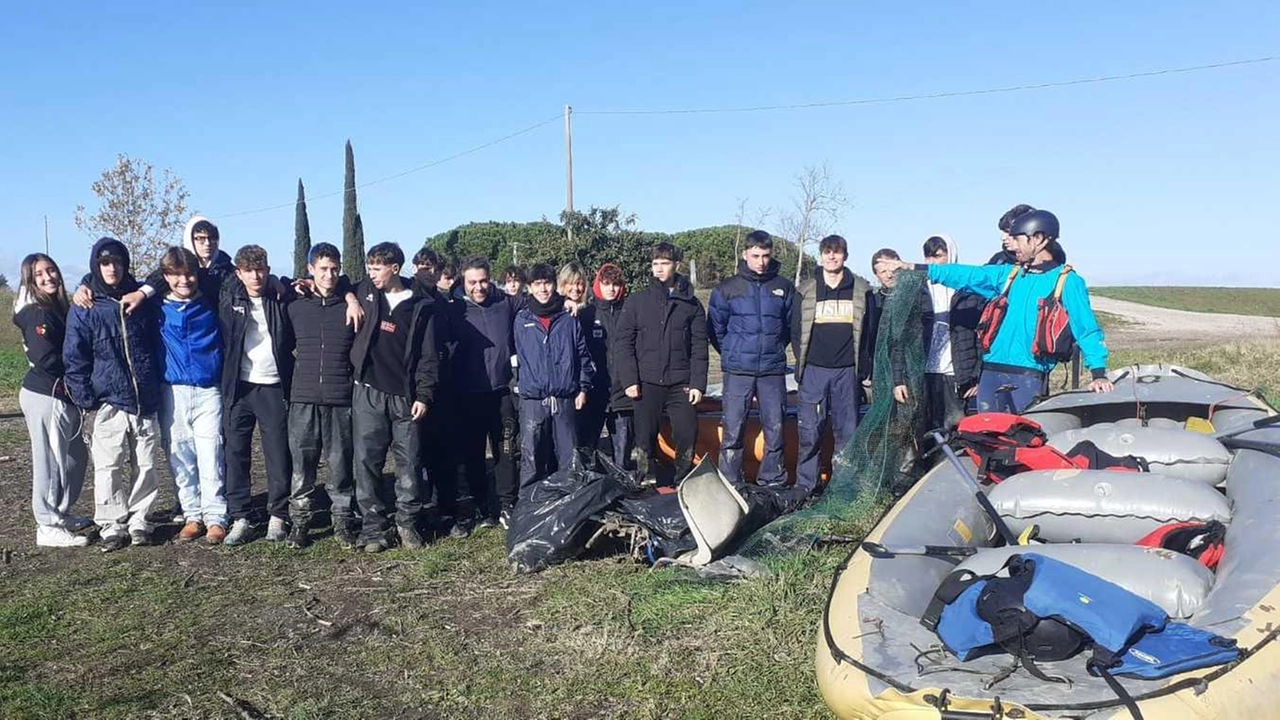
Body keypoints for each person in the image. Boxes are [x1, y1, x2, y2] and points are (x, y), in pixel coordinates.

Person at [877, 210, 1111, 414]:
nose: (1012, 245)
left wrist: (1098, 374)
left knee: (1021, 444)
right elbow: (966, 275)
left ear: (1038, 239)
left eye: (1017, 239)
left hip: (1028, 376)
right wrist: (915, 268)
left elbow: (1087, 329)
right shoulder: (1008, 275)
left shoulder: (1068, 281)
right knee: (986, 442)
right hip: (991, 373)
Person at [63, 238, 163, 551]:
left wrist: (143, 292)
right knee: (108, 466)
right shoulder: (86, 305)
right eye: (105, 263)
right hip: (108, 398)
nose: (112, 268)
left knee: (145, 464)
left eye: (117, 262)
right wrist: (85, 397)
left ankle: (139, 520)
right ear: (96, 265)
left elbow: (164, 275)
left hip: (143, 395)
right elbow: (74, 355)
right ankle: (112, 523)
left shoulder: (142, 294)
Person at [350, 242, 440, 552]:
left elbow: (429, 356)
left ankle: (407, 524)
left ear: (395, 269)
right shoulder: (365, 292)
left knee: (409, 464)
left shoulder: (420, 305)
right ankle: (373, 527)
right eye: (369, 267)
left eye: (377, 268)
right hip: (368, 393)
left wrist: (424, 395)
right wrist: (350, 298)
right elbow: (336, 286)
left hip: (405, 398)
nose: (371, 273)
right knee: (367, 463)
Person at [220, 245, 297, 547]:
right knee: (235, 453)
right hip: (238, 386)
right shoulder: (228, 297)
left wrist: (280, 281)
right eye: (249, 271)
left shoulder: (279, 296)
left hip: (274, 385)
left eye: (262, 269)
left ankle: (278, 514)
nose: (256, 276)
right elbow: (205, 272)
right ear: (239, 273)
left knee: (277, 453)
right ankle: (241, 517)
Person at [708, 231, 798, 486]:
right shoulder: (727, 289)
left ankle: (772, 479)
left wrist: (775, 347)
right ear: (745, 254)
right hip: (738, 371)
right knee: (733, 428)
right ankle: (731, 481)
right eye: (755, 256)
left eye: (766, 256)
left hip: (771, 369)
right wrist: (733, 351)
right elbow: (716, 329)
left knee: (775, 427)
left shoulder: (783, 287)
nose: (761, 261)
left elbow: (790, 327)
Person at [13, 253, 90, 547]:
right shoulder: (38, 313)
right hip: (46, 395)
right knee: (51, 461)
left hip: (63, 395)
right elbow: (46, 358)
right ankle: (46, 525)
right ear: (30, 281)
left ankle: (61, 512)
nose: (48, 277)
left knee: (75, 458)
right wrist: (82, 369)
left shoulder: (58, 307)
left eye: (51, 270)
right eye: (39, 275)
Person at [285, 243, 357, 549]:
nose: (329, 275)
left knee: (340, 464)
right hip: (303, 397)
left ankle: (342, 522)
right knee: (302, 465)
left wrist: (350, 295)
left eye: (334, 269)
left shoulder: (351, 307)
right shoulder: (294, 307)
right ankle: (300, 524)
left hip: (340, 397)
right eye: (323, 268)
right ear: (310, 269)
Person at [617, 242, 708, 483]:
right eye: (655, 263)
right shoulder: (638, 302)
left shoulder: (691, 304)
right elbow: (624, 343)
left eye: (664, 263)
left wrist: (698, 383)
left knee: (687, 432)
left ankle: (684, 479)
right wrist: (630, 380)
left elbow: (699, 346)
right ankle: (645, 478)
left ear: (676, 265)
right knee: (644, 436)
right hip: (646, 382)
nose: (659, 269)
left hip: (681, 383)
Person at [155, 247, 227, 544]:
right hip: (173, 390)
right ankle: (192, 515)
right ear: (166, 277)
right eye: (176, 274)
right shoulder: (157, 306)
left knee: (211, 454)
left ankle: (216, 517)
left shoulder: (211, 302)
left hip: (208, 389)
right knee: (180, 455)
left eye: (189, 273)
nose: (184, 280)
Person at [793, 235, 871, 495]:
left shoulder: (861, 289)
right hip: (814, 370)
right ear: (821, 255)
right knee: (809, 432)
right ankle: (806, 486)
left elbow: (868, 331)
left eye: (837, 252)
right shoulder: (806, 289)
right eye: (827, 252)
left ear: (845, 256)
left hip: (847, 372)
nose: (832, 257)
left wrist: (863, 370)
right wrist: (801, 363)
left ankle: (843, 486)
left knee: (847, 433)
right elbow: (795, 329)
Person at [448, 257, 522, 527]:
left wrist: (569, 302)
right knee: (473, 454)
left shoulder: (505, 303)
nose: (478, 287)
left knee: (505, 451)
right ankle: (481, 507)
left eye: (483, 281)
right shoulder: (453, 310)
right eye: (472, 282)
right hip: (469, 395)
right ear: (463, 282)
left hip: (502, 393)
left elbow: (540, 303)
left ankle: (506, 505)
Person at [513, 264, 594, 500]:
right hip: (533, 400)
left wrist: (583, 387)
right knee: (532, 458)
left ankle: (568, 507)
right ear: (529, 287)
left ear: (554, 285)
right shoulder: (520, 318)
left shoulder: (568, 318)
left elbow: (583, 356)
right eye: (537, 284)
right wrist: (517, 385)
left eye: (547, 283)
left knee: (569, 458)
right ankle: (529, 506)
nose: (543, 289)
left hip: (564, 398)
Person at [920, 235, 982, 431]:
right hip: (925, 373)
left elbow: (980, 338)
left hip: (956, 374)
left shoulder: (968, 291)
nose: (932, 262)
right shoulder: (919, 290)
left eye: (938, 256)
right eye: (928, 257)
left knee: (956, 428)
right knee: (928, 430)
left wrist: (977, 375)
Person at [586, 263, 633, 468]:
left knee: (622, 452)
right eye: (606, 284)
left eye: (615, 284)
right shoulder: (587, 312)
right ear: (598, 284)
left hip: (623, 392)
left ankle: (622, 487)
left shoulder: (630, 311)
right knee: (588, 447)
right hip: (595, 391)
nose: (611, 289)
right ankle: (589, 488)